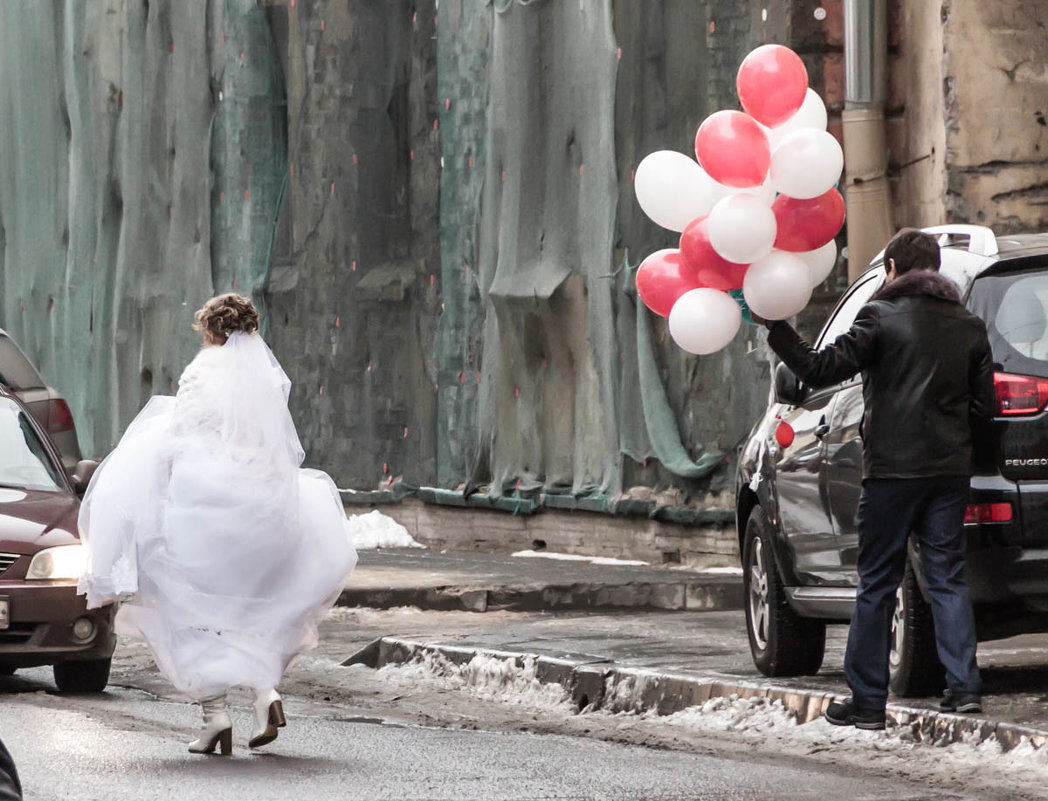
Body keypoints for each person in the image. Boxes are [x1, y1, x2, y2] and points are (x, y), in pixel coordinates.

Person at [77, 293, 358, 755]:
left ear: (211, 332)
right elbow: (278, 443)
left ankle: (216, 717)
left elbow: (180, 437)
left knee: (187, 607)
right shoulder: (267, 377)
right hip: (265, 507)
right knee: (252, 603)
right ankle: (266, 693)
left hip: (204, 507)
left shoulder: (200, 374)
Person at [761, 228, 994, 730]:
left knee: (878, 583)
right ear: (935, 271)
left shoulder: (879, 318)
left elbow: (819, 370)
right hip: (948, 472)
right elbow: (983, 410)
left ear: (891, 269)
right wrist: (964, 456)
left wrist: (777, 327)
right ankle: (964, 688)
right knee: (948, 578)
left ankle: (867, 700)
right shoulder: (969, 326)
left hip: (892, 473)